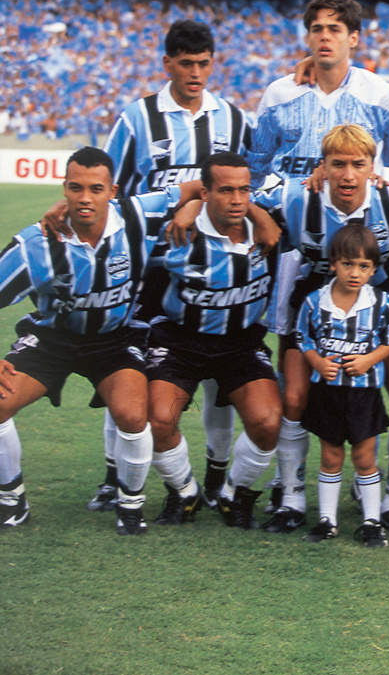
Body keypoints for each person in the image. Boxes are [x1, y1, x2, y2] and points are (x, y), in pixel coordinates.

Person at [238, 125, 389, 537]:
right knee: (294, 398)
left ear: (373, 167)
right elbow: (236, 196)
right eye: (337, 164)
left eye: (358, 164)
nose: (348, 175)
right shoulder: (295, 196)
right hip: (314, 305)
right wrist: (259, 217)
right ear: (321, 166)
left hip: (381, 305)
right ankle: (291, 497)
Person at [94, 18, 253, 513]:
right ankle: (114, 476)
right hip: (150, 270)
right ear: (167, 64)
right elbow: (111, 194)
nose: (195, 73)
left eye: (203, 64)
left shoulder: (232, 119)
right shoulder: (137, 118)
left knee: (218, 377)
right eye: (186, 64)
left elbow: (249, 186)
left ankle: (216, 475)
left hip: (219, 268)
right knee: (128, 371)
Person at [0, 148, 180, 534]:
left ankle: (130, 506)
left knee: (133, 415)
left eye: (95, 189)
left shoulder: (137, 215)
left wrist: (192, 211)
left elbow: (200, 189)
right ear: (64, 188)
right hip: (51, 340)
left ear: (112, 191)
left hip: (113, 340)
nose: (85, 198)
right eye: (76, 188)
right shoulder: (35, 243)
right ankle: (11, 500)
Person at [145, 153, 282, 531]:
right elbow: (117, 216)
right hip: (180, 341)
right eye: (225, 191)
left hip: (241, 343)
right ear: (204, 193)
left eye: (244, 190)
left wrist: (261, 214)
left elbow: (317, 194)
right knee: (157, 420)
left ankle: (234, 493)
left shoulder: (272, 224)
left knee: (269, 423)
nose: (237, 200)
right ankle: (183, 491)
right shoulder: (176, 232)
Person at [296, 224, 389, 548]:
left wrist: (369, 360)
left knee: (364, 457)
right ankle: (327, 520)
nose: (354, 273)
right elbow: (303, 338)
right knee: (330, 456)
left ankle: (372, 521)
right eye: (347, 264)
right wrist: (317, 363)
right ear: (333, 264)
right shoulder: (314, 302)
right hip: (327, 392)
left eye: (363, 266)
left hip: (363, 393)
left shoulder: (382, 303)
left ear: (373, 269)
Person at [249, 0, 389, 187]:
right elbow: (255, 167)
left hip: (357, 205)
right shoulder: (278, 94)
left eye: (334, 29)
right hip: (289, 204)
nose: (325, 36)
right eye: (317, 29)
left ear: (353, 38)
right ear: (308, 38)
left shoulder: (381, 94)